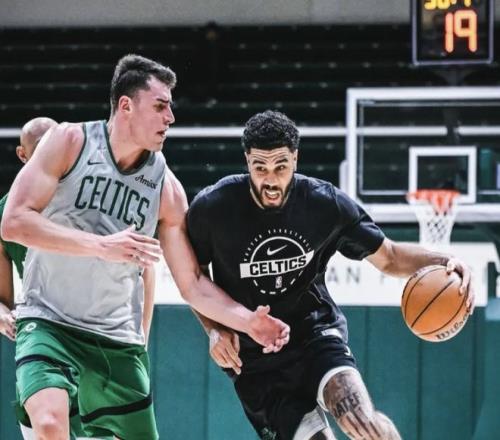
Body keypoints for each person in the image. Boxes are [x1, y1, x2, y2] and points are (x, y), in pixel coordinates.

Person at [1, 56, 290, 440]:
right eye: (160, 106)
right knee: (50, 425)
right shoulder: (69, 141)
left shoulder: (166, 188)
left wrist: (245, 321)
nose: (170, 117)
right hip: (49, 323)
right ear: (126, 105)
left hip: (118, 342)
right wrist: (101, 245)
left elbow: (192, 283)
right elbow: (13, 222)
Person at [187, 110, 475, 440]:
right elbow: (194, 278)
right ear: (246, 161)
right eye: (260, 167)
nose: (271, 179)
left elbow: (391, 257)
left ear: (295, 159)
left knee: (361, 420)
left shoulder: (325, 204)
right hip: (256, 361)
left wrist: (447, 259)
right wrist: (215, 329)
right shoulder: (212, 208)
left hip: (315, 334)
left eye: (281, 166)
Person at [0, 116, 159, 439]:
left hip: (99, 341)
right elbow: (3, 300)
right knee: (47, 424)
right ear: (23, 155)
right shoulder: (9, 213)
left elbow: (145, 270)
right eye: (42, 147)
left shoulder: (93, 199)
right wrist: (2, 315)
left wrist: (140, 338)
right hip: (47, 333)